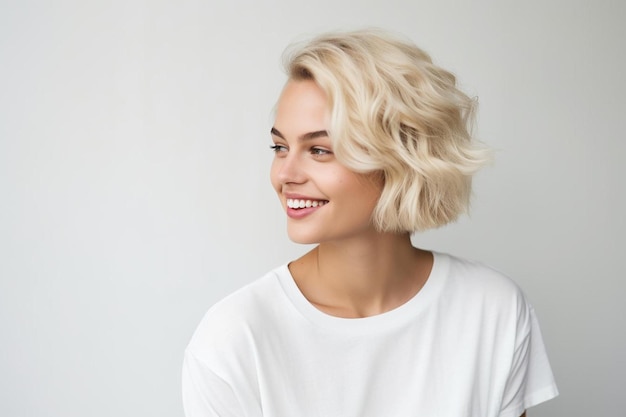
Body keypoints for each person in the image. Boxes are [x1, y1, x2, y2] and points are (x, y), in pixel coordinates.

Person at [182, 29, 558, 417]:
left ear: (400, 157)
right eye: (280, 147)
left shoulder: (492, 311)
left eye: (319, 150)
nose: (285, 174)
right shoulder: (236, 337)